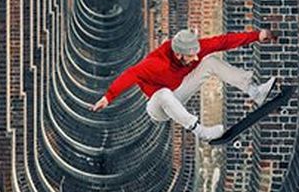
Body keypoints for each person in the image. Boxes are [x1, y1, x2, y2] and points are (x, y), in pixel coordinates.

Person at [91, 29, 277, 141]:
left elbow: (223, 41)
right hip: (158, 107)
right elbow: (130, 74)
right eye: (191, 56)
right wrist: (108, 97)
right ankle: (202, 132)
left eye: (196, 53)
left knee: (210, 61)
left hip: (178, 92)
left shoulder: (195, 50)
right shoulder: (157, 63)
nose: (195, 57)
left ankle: (254, 91)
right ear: (179, 54)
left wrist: (257, 35)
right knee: (163, 94)